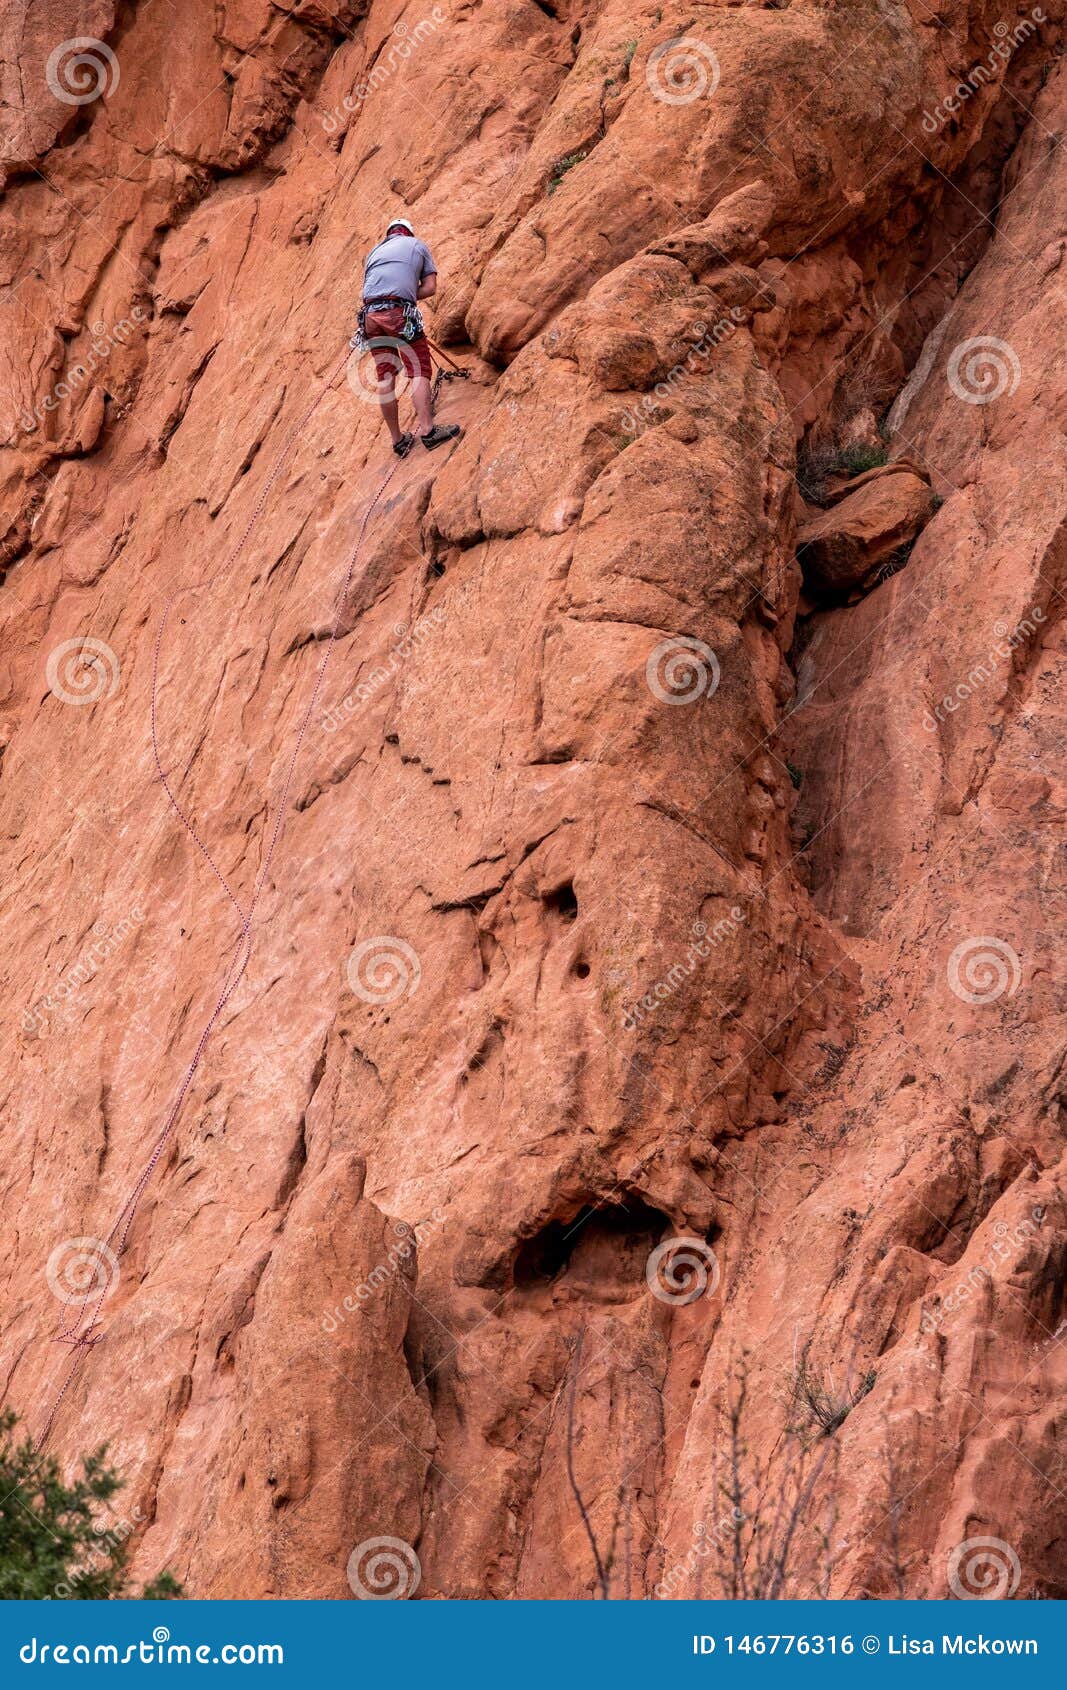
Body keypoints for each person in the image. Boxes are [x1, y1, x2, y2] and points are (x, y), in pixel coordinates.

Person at [357, 217, 462, 457]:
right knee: (419, 369)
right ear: (408, 233)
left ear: (389, 234)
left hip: (370, 316)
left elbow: (371, 287)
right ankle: (428, 431)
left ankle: (398, 441)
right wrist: (405, 292)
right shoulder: (417, 246)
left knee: (385, 376)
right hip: (398, 312)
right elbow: (430, 287)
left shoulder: (374, 251)